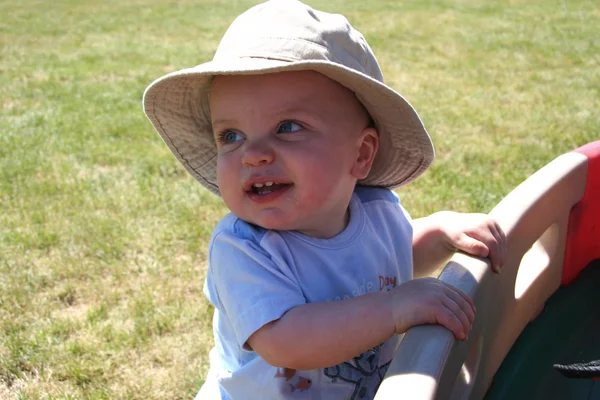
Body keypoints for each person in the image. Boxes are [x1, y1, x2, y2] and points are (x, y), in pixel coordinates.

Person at [142, 1, 506, 398]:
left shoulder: (378, 212)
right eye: (231, 135)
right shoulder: (243, 249)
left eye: (287, 127)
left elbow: (390, 261)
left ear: (361, 154)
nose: (253, 154)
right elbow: (287, 341)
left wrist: (438, 233)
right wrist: (393, 310)